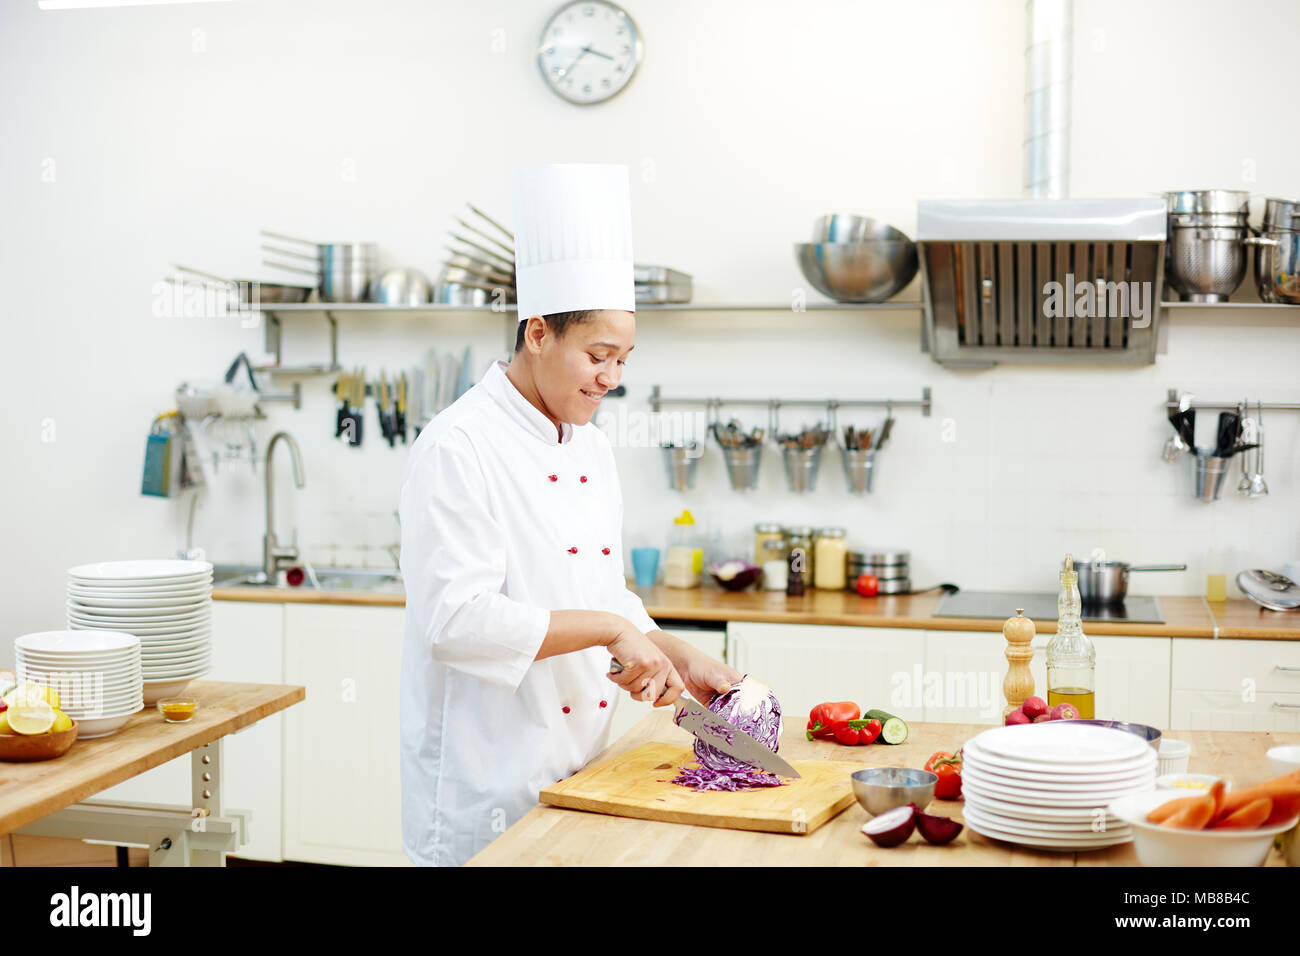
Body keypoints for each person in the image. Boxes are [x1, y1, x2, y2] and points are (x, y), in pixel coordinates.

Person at [398, 164, 741, 867]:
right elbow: (455, 622)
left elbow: (601, 592)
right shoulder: (458, 445)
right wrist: (613, 631)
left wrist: (673, 650)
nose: (611, 378)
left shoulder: (590, 444)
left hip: (587, 760)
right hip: (488, 774)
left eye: (623, 358)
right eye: (598, 355)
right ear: (537, 334)